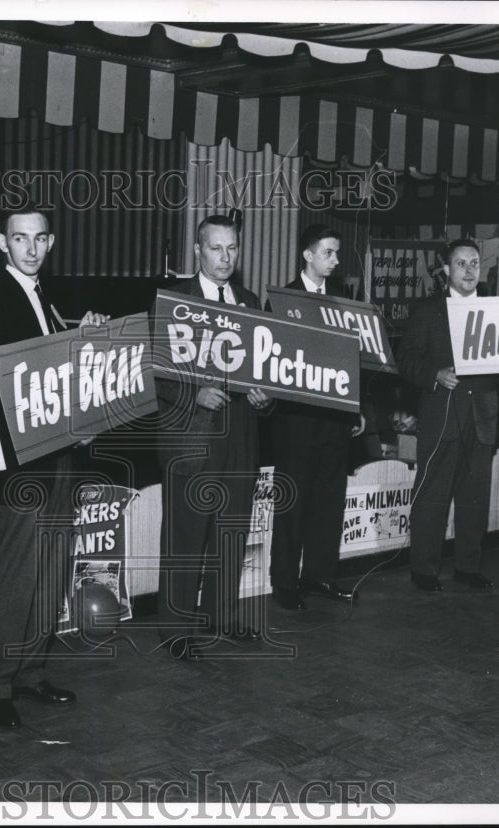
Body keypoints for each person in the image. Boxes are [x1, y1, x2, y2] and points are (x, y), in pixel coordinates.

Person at [0, 205, 108, 728]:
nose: (31, 248)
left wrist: (83, 338)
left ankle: (29, 669)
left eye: (40, 238)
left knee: (50, 571)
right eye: (20, 238)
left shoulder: (45, 297)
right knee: (13, 576)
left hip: (59, 459)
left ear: (50, 243)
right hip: (20, 468)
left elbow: (57, 372)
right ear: (2, 244)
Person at [155, 215, 271, 660]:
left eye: (233, 249)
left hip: (240, 434)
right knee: (185, 534)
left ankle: (220, 616)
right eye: (217, 249)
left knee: (231, 530)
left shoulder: (249, 301)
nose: (225, 258)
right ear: (198, 251)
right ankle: (175, 630)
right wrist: (193, 393)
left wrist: (265, 399)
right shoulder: (172, 300)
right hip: (191, 435)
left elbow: (267, 371)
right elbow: (152, 374)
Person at [398, 238, 499, 592]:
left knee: (474, 498)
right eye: (460, 264)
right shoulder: (428, 311)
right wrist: (435, 374)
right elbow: (406, 361)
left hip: (482, 416)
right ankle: (424, 570)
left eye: (474, 263)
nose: (468, 270)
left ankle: (468, 566)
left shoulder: (494, 312)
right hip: (441, 413)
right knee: (432, 496)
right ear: (446, 270)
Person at [267, 224, 364, 611]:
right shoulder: (281, 300)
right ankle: (285, 583)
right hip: (295, 423)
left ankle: (320, 577)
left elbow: (356, 360)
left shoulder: (343, 301)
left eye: (337, 253)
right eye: (329, 253)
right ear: (307, 255)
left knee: (328, 504)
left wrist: (358, 409)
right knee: (292, 505)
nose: (336, 260)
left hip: (334, 422)